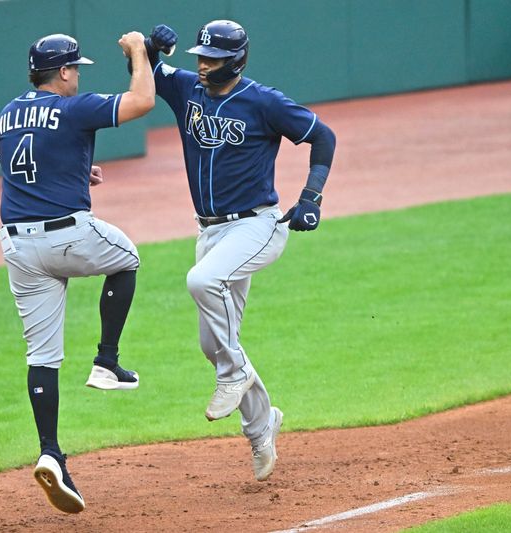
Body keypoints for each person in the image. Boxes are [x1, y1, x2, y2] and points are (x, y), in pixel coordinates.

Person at [142, 20, 336, 481]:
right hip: (210, 233)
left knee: (202, 281)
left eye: (212, 58)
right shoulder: (187, 88)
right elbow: (150, 68)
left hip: (257, 225)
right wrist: (150, 47)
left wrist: (311, 196)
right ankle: (261, 425)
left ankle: (233, 375)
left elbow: (322, 136)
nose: (203, 64)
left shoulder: (264, 101)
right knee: (212, 343)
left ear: (237, 60)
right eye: (200, 56)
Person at [0, 31, 155, 514]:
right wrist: (140, 53)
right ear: (62, 72)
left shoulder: (6, 114)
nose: (79, 75)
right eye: (75, 69)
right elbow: (143, 100)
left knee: (42, 355)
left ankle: (51, 452)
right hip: (66, 236)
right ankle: (107, 361)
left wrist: (73, 171)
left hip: (17, 246)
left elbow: (16, 164)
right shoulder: (73, 107)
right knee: (127, 258)